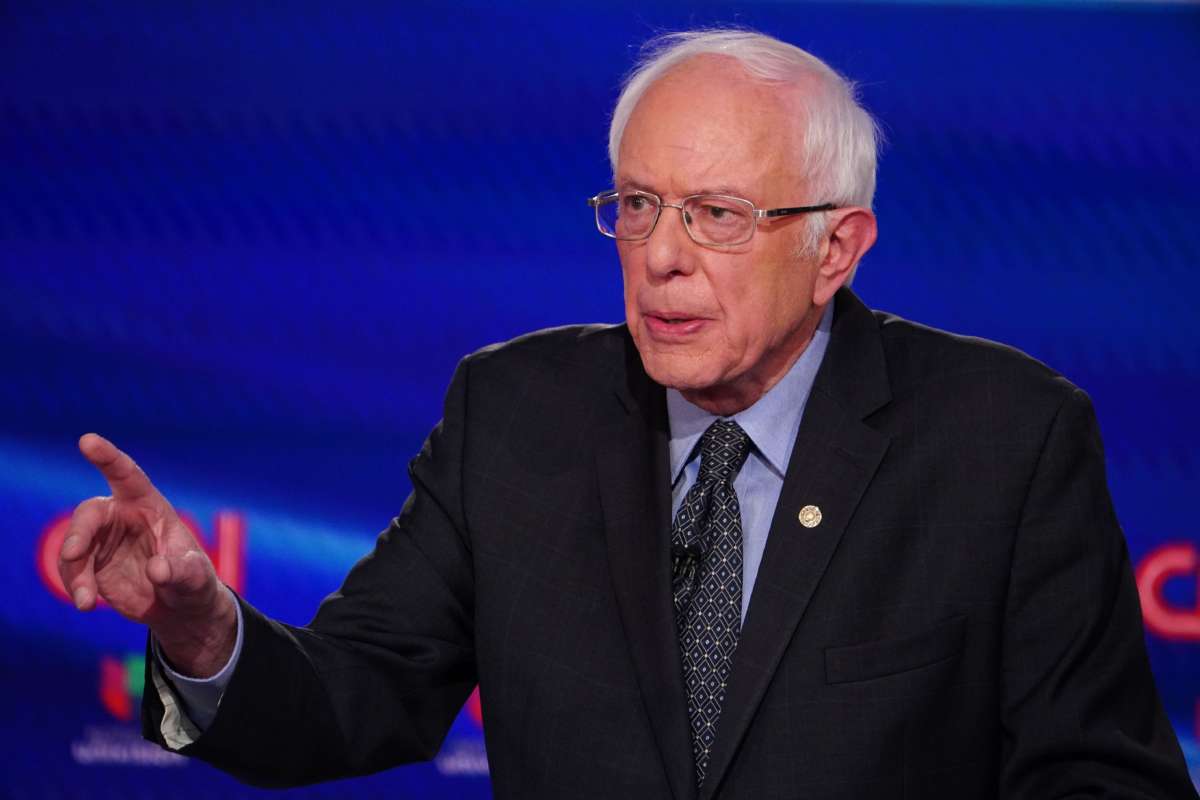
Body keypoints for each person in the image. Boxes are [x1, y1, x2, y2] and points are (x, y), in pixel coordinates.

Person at [58, 29, 1195, 799]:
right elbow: (351, 700)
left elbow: (1102, 782)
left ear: (835, 249)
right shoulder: (515, 415)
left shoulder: (1006, 438)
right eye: (639, 205)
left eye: (716, 215)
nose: (659, 257)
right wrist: (202, 626)